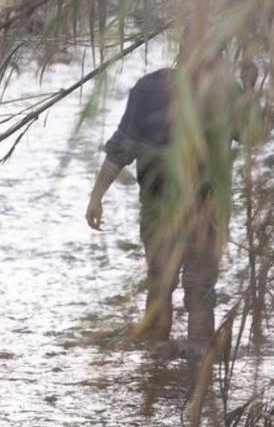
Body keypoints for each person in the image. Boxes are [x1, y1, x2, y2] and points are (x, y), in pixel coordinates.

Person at [86, 59, 241, 345]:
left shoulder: (150, 88)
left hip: (160, 208)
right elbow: (252, 135)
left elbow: (122, 147)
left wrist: (97, 196)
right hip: (207, 210)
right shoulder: (226, 89)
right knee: (200, 291)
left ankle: (155, 370)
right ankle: (196, 369)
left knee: (160, 285)